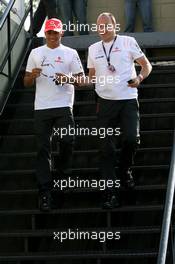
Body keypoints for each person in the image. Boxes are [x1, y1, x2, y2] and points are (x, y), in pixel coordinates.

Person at [87, 12, 152, 209]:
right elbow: (91, 77)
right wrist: (70, 79)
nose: (103, 28)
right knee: (105, 149)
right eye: (99, 25)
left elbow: (146, 66)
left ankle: (124, 170)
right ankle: (111, 194)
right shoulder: (92, 48)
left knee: (131, 139)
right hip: (105, 103)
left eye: (106, 25)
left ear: (115, 26)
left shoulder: (128, 41)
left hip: (128, 100)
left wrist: (139, 79)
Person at [24, 18, 84, 211]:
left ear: (61, 33)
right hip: (41, 107)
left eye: (55, 32)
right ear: (45, 34)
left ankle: (63, 173)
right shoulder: (35, 52)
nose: (52, 36)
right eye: (49, 32)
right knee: (42, 148)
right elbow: (25, 82)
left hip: (64, 105)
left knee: (67, 140)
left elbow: (82, 80)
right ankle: (45, 191)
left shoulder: (70, 53)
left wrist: (66, 78)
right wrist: (32, 76)